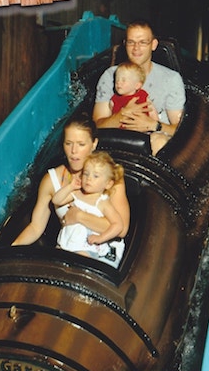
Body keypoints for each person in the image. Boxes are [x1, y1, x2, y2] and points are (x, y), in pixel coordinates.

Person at [12, 113, 130, 266]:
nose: (74, 151)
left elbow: (121, 229)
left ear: (94, 144)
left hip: (99, 252)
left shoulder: (109, 179)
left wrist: (79, 216)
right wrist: (12, 250)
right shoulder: (51, 180)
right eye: (68, 143)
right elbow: (36, 227)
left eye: (81, 144)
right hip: (67, 250)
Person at [93, 19, 186, 155]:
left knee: (159, 141)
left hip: (153, 141)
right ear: (125, 44)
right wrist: (122, 115)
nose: (136, 48)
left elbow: (180, 130)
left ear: (153, 45)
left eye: (143, 42)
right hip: (118, 141)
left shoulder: (171, 79)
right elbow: (97, 125)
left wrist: (153, 125)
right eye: (131, 42)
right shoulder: (110, 76)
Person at [52, 151, 125, 265]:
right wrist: (70, 187)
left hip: (85, 247)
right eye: (86, 174)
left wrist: (101, 238)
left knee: (78, 266)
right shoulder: (77, 193)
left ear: (108, 184)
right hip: (65, 243)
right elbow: (56, 200)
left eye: (95, 176)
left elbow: (118, 225)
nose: (89, 178)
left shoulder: (102, 202)